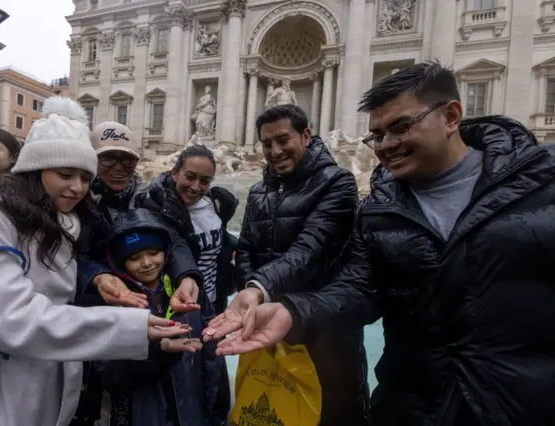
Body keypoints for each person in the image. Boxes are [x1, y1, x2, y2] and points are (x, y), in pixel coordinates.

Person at [209, 61, 555, 425]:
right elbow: (359, 286)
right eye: (377, 135)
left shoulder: (540, 186)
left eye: (401, 127)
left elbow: (313, 248)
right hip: (411, 404)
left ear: (452, 116)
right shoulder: (379, 206)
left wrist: (264, 286)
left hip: (520, 404)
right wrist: (291, 312)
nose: (387, 145)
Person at [0, 96, 195, 426]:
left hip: (43, 379)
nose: (77, 187)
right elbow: (12, 319)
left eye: (84, 177)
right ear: (34, 170)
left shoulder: (64, 219)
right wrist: (128, 327)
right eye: (65, 174)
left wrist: (99, 283)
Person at [208, 104, 369, 426]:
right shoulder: (258, 191)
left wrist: (257, 290)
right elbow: (247, 249)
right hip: (264, 320)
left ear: (306, 135)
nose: (275, 151)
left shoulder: (338, 182)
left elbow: (312, 249)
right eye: (267, 144)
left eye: (283, 140)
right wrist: (252, 296)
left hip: (322, 327)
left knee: (330, 412)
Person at [73, 122, 203, 426]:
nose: (119, 167)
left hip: (147, 302)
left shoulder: (152, 197)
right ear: (93, 159)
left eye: (127, 160)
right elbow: (68, 257)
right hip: (96, 306)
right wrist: (98, 276)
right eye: (108, 159)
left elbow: (175, 241)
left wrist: (187, 275)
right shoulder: (76, 200)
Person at [135, 144, 238, 420]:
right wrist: (189, 276)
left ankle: (214, 418)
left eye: (205, 180)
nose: (196, 186)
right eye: (189, 177)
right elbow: (175, 246)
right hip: (182, 303)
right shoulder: (155, 204)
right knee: (185, 375)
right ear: (175, 172)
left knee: (213, 364)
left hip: (214, 301)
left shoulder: (216, 203)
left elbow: (218, 242)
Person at [94, 208, 221, 426]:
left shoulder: (189, 292)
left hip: (192, 411)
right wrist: (156, 352)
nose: (146, 263)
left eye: (154, 253)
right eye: (134, 257)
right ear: (120, 262)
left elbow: (212, 358)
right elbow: (110, 375)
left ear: (166, 252)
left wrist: (215, 413)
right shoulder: (115, 303)